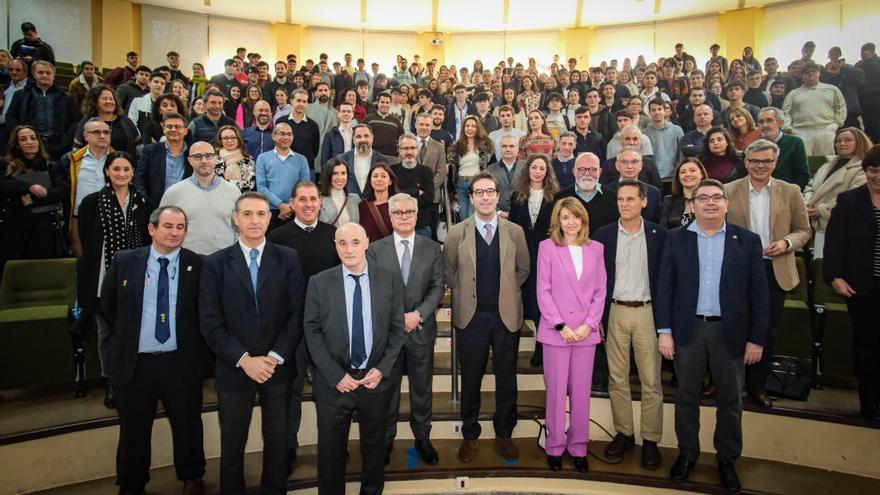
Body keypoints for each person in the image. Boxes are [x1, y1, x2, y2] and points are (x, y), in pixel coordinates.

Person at [656, 179, 769, 493]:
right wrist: (664, 332)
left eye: (716, 197)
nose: (709, 203)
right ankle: (687, 454)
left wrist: (756, 339)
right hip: (687, 331)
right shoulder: (675, 239)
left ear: (726, 203)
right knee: (686, 397)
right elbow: (665, 287)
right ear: (691, 205)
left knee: (731, 401)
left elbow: (759, 295)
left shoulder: (746, 241)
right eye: (701, 198)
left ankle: (727, 459)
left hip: (729, 332)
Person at [200, 191, 305, 495]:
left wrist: (273, 357)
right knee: (232, 444)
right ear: (236, 219)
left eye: (261, 214)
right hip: (234, 369)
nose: (255, 220)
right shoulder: (216, 264)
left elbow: (297, 314)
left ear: (270, 218)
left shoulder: (288, 258)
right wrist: (244, 360)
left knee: (277, 441)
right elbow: (210, 321)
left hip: (277, 369)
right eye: (247, 214)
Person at [100, 205, 208, 495]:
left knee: (187, 425)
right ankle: (131, 482)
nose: (174, 233)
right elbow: (108, 307)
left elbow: (205, 314)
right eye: (168, 226)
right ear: (152, 229)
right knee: (134, 429)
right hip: (136, 364)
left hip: (180, 362)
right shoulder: (125, 261)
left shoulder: (197, 265)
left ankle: (192, 477)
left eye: (180, 227)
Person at [304, 221, 405, 495]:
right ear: (335, 246)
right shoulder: (319, 282)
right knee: (331, 453)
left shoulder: (389, 279)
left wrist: (383, 369)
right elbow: (311, 333)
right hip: (334, 382)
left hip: (375, 382)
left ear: (367, 242)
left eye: (355, 242)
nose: (349, 249)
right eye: (342, 243)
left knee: (374, 451)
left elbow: (398, 329)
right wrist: (336, 375)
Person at [443, 171, 530, 464]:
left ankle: (504, 433)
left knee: (507, 379)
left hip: (506, 317)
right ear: (471, 197)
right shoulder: (456, 233)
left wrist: (506, 293)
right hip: (472, 319)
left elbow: (523, 270)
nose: (485, 196)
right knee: (471, 380)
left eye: (490, 191)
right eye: (478, 192)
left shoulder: (514, 232)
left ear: (497, 195)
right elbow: (449, 272)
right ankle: (470, 434)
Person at [724, 139, 812, 409]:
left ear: (775, 162)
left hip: (775, 268)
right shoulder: (728, 190)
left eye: (766, 161)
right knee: (730, 326)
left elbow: (804, 230)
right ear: (746, 162)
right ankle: (726, 383)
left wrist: (786, 243)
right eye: (754, 161)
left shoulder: (791, 191)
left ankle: (757, 386)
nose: (760, 166)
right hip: (738, 270)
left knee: (766, 330)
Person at [363, 192, 445, 465]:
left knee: (422, 390)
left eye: (409, 212)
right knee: (388, 391)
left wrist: (418, 314)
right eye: (398, 213)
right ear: (390, 216)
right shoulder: (375, 250)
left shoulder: (432, 248)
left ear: (417, 214)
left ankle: (423, 438)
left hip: (421, 331)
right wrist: (400, 318)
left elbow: (437, 287)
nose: (404, 217)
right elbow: (373, 291)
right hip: (389, 335)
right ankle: (385, 441)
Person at [266, 181, 341, 474]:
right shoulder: (278, 237)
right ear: (292, 203)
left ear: (320, 203)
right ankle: (288, 447)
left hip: (328, 329)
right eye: (302, 199)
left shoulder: (333, 236)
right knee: (291, 392)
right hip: (292, 329)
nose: (309, 204)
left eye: (313, 199)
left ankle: (335, 446)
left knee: (332, 391)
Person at [592, 180, 666, 470]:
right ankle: (624, 433)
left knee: (651, 381)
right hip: (615, 312)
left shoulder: (660, 235)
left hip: (648, 313)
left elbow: (667, 281)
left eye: (631, 199)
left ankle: (650, 439)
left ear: (644, 202)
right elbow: (596, 282)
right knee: (617, 379)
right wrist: (597, 316)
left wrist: (666, 325)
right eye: (621, 199)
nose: (624, 204)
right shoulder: (604, 235)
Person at [74, 151, 154, 408]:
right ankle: (112, 381)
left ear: (132, 173)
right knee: (105, 333)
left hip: (135, 279)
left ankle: (136, 379)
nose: (121, 174)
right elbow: (87, 240)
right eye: (116, 169)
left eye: (126, 169)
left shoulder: (143, 203)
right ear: (107, 171)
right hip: (101, 279)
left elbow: (146, 242)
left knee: (136, 331)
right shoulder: (91, 202)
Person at [536, 197, 606, 472]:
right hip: (558, 333)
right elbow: (543, 290)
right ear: (558, 220)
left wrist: (589, 324)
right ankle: (554, 445)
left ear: (583, 220)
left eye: (575, 217)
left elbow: (600, 290)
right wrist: (560, 326)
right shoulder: (547, 248)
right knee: (555, 393)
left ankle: (579, 447)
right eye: (565, 217)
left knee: (580, 393)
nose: (571, 222)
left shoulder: (596, 249)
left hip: (586, 333)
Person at [823, 144, 880, 421]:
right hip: (862, 286)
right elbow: (834, 243)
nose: (878, 176)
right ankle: (868, 403)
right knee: (866, 344)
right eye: (873, 170)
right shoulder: (849, 201)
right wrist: (835, 276)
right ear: (866, 171)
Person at [507, 154, 559, 367]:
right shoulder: (517, 195)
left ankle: (541, 346)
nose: (538, 171)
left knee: (542, 301)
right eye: (534, 167)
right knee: (520, 299)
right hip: (522, 251)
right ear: (527, 170)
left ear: (547, 172)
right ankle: (511, 347)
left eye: (542, 168)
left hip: (546, 254)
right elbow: (511, 226)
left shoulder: (555, 196)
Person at [0, 126, 68, 274]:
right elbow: (4, 184)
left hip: (45, 230)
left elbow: (62, 190)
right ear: (17, 144)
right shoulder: (5, 165)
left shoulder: (52, 166)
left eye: (33, 138)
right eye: (23, 139)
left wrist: (35, 200)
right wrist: (29, 187)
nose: (30, 142)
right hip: (15, 230)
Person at [160, 141, 240, 255]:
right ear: (190, 161)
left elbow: (239, 230)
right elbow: (163, 229)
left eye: (208, 156)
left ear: (216, 158)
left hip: (224, 261)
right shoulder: (174, 192)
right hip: (187, 260)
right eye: (197, 157)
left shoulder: (233, 191)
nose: (204, 161)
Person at [805, 127, 872, 257]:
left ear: (859, 142)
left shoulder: (863, 167)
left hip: (843, 224)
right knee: (821, 266)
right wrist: (807, 204)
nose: (842, 143)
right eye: (838, 141)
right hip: (820, 225)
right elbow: (810, 186)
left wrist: (821, 209)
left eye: (848, 140)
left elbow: (854, 195)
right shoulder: (826, 165)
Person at [5, 60, 82, 160]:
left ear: (53, 76)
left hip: (58, 145)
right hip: (29, 146)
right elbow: (10, 117)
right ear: (34, 75)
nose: (45, 75)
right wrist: (20, 135)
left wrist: (67, 138)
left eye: (48, 73)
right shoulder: (21, 95)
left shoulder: (66, 97)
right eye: (41, 72)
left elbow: (77, 120)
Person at [59, 118, 114, 255]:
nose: (102, 136)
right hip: (79, 218)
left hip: (111, 217)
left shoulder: (119, 159)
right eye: (97, 132)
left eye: (106, 132)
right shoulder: (71, 160)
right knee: (81, 259)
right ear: (86, 136)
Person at [783, 63, 847, 156]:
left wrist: (836, 124)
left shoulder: (832, 89)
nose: (810, 74)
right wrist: (789, 129)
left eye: (813, 71)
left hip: (826, 128)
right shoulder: (793, 94)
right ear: (802, 76)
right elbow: (785, 113)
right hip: (801, 130)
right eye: (806, 72)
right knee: (802, 160)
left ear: (819, 73)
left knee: (825, 161)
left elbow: (841, 107)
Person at [255, 122, 311, 227]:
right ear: (273, 136)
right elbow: (261, 187)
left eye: (289, 134)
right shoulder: (262, 158)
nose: (286, 137)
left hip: (295, 211)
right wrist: (280, 205)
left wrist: (291, 206)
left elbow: (304, 187)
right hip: (271, 211)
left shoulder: (301, 160)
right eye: (282, 134)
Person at [555, 152, 620, 232]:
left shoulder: (613, 197)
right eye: (581, 169)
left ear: (599, 172)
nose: (587, 174)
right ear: (574, 171)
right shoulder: (560, 198)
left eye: (593, 169)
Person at [135, 113, 192, 203]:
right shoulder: (150, 151)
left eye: (178, 127)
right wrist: (144, 200)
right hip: (154, 205)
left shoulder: (193, 153)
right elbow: (139, 178)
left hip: (185, 203)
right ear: (164, 130)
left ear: (185, 131)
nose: (173, 129)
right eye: (169, 126)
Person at [447, 115, 493, 219]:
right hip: (460, 185)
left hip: (477, 184)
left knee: (473, 216)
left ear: (478, 128)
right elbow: (451, 169)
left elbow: (489, 166)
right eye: (467, 126)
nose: (470, 128)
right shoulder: (455, 147)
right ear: (463, 128)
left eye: (473, 126)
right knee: (464, 218)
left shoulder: (485, 146)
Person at [74, 85, 140, 154]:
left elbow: (139, 148)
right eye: (105, 99)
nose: (109, 101)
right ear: (94, 101)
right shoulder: (85, 123)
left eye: (111, 99)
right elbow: (77, 151)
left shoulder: (126, 122)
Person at [755, 107, 809, 190]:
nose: (764, 125)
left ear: (780, 123)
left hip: (788, 194)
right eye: (761, 122)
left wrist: (790, 194)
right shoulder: (754, 147)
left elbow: (802, 175)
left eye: (769, 120)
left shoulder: (795, 143)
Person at [391, 135, 434, 237]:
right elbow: (392, 196)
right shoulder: (392, 170)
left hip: (421, 225)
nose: (409, 152)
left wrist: (402, 196)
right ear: (400, 151)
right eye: (405, 148)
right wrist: (416, 191)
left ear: (417, 150)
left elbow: (429, 198)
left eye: (412, 148)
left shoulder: (426, 171)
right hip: (398, 226)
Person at [604, 149, 662, 223]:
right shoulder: (606, 192)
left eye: (634, 162)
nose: (629, 166)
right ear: (617, 166)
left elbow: (657, 222)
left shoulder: (653, 192)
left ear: (641, 165)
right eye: (624, 162)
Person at [642, 98, 683, 185]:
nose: (657, 112)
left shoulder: (677, 130)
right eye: (653, 110)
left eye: (659, 109)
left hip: (672, 178)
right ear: (649, 113)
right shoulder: (644, 133)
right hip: (652, 178)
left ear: (665, 111)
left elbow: (681, 155)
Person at [660, 157, 708, 229]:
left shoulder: (711, 200)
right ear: (678, 177)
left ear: (702, 174)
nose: (687, 174)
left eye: (693, 170)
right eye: (683, 172)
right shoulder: (669, 201)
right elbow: (663, 229)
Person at [358, 162, 399, 241]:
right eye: (375, 176)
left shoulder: (398, 204)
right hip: (369, 251)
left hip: (392, 251)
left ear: (390, 181)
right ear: (370, 181)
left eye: (383, 176)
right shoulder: (362, 206)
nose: (379, 179)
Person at [318, 157, 360, 226]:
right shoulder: (319, 199)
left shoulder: (355, 199)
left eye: (343, 173)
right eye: (335, 173)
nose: (340, 178)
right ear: (328, 176)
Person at [214, 125, 256, 192]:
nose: (230, 140)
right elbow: (214, 184)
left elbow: (251, 184)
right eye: (225, 138)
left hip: (244, 198)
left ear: (238, 139)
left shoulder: (248, 159)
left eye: (233, 137)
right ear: (220, 140)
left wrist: (226, 184)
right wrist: (239, 183)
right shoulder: (214, 160)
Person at [487, 135, 524, 213]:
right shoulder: (490, 169)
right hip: (498, 215)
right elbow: (487, 193)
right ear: (500, 149)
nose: (508, 149)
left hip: (521, 214)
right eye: (504, 146)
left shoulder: (526, 168)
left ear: (517, 149)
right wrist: (498, 212)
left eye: (511, 146)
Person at [320, 101, 354, 166]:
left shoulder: (357, 135)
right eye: (343, 111)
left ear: (353, 114)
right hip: (336, 173)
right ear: (338, 114)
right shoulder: (330, 135)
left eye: (349, 111)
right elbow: (324, 160)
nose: (346, 114)